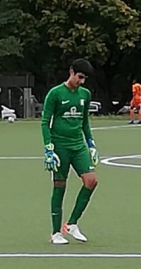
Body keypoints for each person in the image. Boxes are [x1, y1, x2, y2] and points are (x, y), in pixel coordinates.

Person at [41, 59, 99, 245]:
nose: (81, 81)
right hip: (60, 146)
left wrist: (91, 144)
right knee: (60, 186)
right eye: (79, 77)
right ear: (71, 72)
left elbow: (85, 121)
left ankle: (72, 224)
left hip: (78, 146)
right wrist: (49, 149)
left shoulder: (85, 94)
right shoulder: (55, 93)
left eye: (84, 79)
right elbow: (45, 122)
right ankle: (55, 233)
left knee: (91, 181)